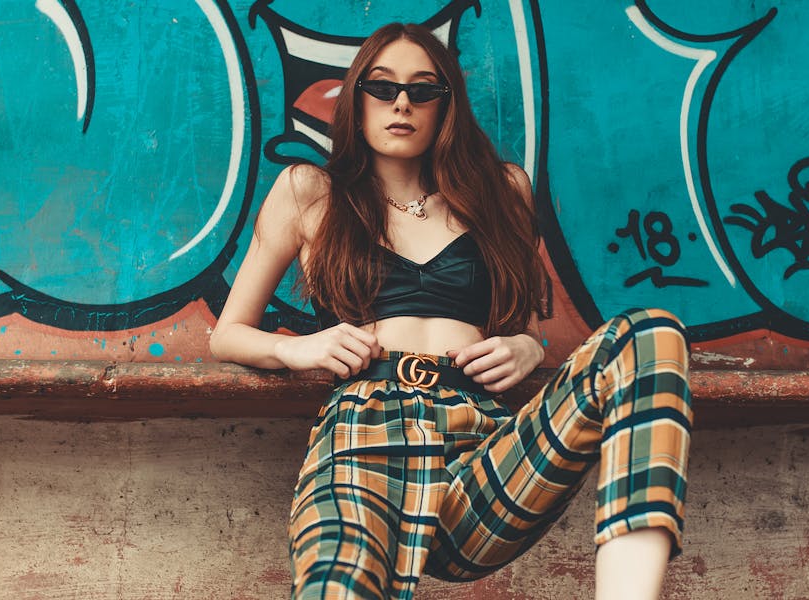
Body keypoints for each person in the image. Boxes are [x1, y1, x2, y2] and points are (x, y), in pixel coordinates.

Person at [210, 22, 692, 600]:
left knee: (651, 334)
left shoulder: (501, 192)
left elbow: (523, 323)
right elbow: (228, 334)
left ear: (447, 106)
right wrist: (293, 348)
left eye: (424, 90)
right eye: (382, 87)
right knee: (335, 587)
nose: (403, 103)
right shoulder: (310, 191)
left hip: (478, 456)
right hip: (362, 443)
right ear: (355, 100)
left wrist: (528, 345)